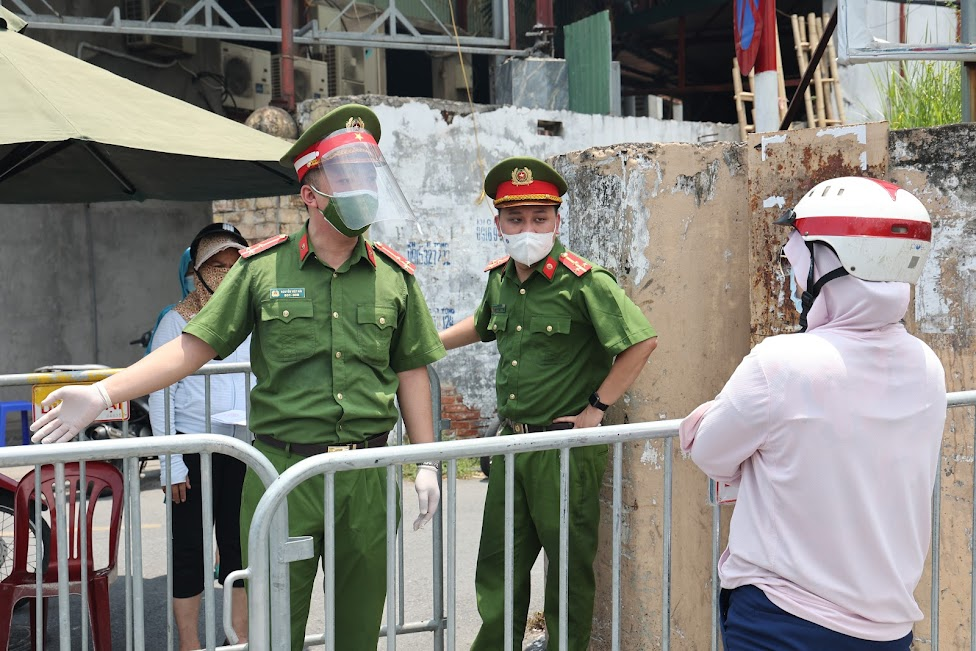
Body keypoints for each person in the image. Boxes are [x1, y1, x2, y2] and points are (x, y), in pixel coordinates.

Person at [31, 103, 447, 651]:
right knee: (275, 630)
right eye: (346, 174)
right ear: (310, 193)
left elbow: (411, 368)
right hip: (283, 472)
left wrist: (425, 460)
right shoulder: (261, 269)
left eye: (367, 173)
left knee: (358, 629)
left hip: (367, 475)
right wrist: (104, 392)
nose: (362, 187)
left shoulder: (394, 277)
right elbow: (191, 347)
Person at [679, 176, 947, 650]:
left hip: (783, 619)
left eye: (799, 255)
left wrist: (707, 418)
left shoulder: (781, 363)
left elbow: (710, 450)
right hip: (887, 628)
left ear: (831, 260)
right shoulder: (927, 365)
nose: (794, 269)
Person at [438, 157, 658, 650]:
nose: (528, 230)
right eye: (516, 219)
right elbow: (483, 324)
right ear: (498, 223)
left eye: (540, 219)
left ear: (558, 221)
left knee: (567, 569)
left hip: (563, 448)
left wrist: (596, 409)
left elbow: (641, 342)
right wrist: (428, 345)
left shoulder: (584, 282)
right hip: (511, 444)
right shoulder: (500, 279)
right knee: (498, 565)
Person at [148, 222, 253, 650]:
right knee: (190, 550)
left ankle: (239, 639)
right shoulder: (176, 322)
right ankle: (190, 643)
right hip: (191, 452)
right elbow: (160, 395)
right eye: (216, 265)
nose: (226, 274)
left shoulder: (254, 319)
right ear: (198, 271)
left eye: (234, 264)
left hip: (244, 449)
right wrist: (171, 462)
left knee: (239, 549)